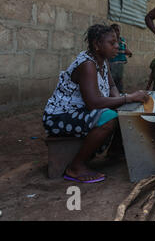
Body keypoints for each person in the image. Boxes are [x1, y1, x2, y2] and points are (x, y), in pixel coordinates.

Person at [42, 24, 149, 183]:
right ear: (97, 45)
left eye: (117, 42)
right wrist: (127, 98)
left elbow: (112, 86)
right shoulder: (87, 65)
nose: (117, 46)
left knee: (125, 109)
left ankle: (116, 151)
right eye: (111, 43)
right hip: (59, 117)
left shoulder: (102, 61)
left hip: (80, 111)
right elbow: (94, 103)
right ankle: (76, 167)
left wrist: (122, 102)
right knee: (109, 118)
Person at [109, 24, 132, 93]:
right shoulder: (111, 41)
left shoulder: (122, 40)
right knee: (112, 79)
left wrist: (129, 52)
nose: (116, 32)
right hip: (112, 63)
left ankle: (120, 93)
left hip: (120, 64)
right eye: (114, 30)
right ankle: (111, 93)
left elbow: (124, 49)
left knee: (119, 79)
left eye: (118, 30)